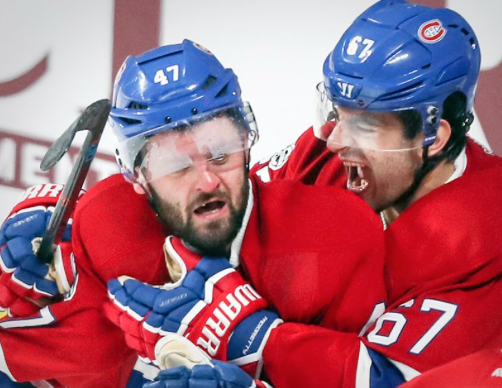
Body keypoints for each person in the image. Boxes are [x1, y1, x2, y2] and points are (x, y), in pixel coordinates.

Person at [107, 1, 502, 387]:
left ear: (434, 138)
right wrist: (71, 244)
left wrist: (254, 337)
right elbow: (220, 212)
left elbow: (391, 377)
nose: (333, 141)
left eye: (365, 125)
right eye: (336, 112)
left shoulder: (486, 241)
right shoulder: (331, 160)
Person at [0, 39, 386, 387]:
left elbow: (379, 377)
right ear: (137, 176)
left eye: (220, 151)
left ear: (248, 142)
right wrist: (21, 302)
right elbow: (62, 368)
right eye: (175, 165)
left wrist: (255, 349)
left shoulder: (335, 235)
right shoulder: (110, 223)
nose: (206, 180)